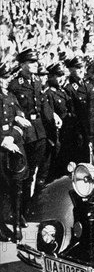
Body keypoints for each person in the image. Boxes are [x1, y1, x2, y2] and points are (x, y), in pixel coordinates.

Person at [8, 48, 53, 221]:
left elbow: (42, 106)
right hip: (25, 133)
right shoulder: (15, 84)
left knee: (34, 172)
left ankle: (29, 209)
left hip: (39, 131)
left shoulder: (37, 81)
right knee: (24, 174)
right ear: (22, 65)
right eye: (31, 62)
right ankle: (18, 212)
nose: (35, 65)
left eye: (35, 62)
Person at [0, 62, 27, 242]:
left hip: (15, 149)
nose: (6, 81)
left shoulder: (11, 96)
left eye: (8, 77)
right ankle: (1, 225)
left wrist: (12, 137)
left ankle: (17, 225)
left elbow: (22, 122)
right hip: (1, 150)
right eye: (3, 77)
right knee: (2, 189)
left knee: (17, 189)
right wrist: (3, 141)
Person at [63, 56, 92, 164]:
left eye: (82, 67)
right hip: (79, 129)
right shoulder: (69, 88)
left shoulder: (87, 85)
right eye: (78, 67)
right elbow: (72, 111)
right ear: (70, 70)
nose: (81, 70)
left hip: (90, 127)